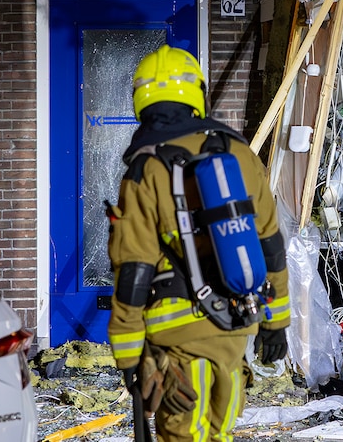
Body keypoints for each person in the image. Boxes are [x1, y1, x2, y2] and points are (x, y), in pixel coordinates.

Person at [107, 45, 290, 442]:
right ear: (196, 93)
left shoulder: (147, 168)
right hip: (234, 323)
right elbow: (271, 244)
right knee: (219, 431)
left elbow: (134, 268)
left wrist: (125, 351)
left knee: (184, 432)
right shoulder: (239, 153)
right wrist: (276, 325)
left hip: (175, 331)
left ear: (142, 98)